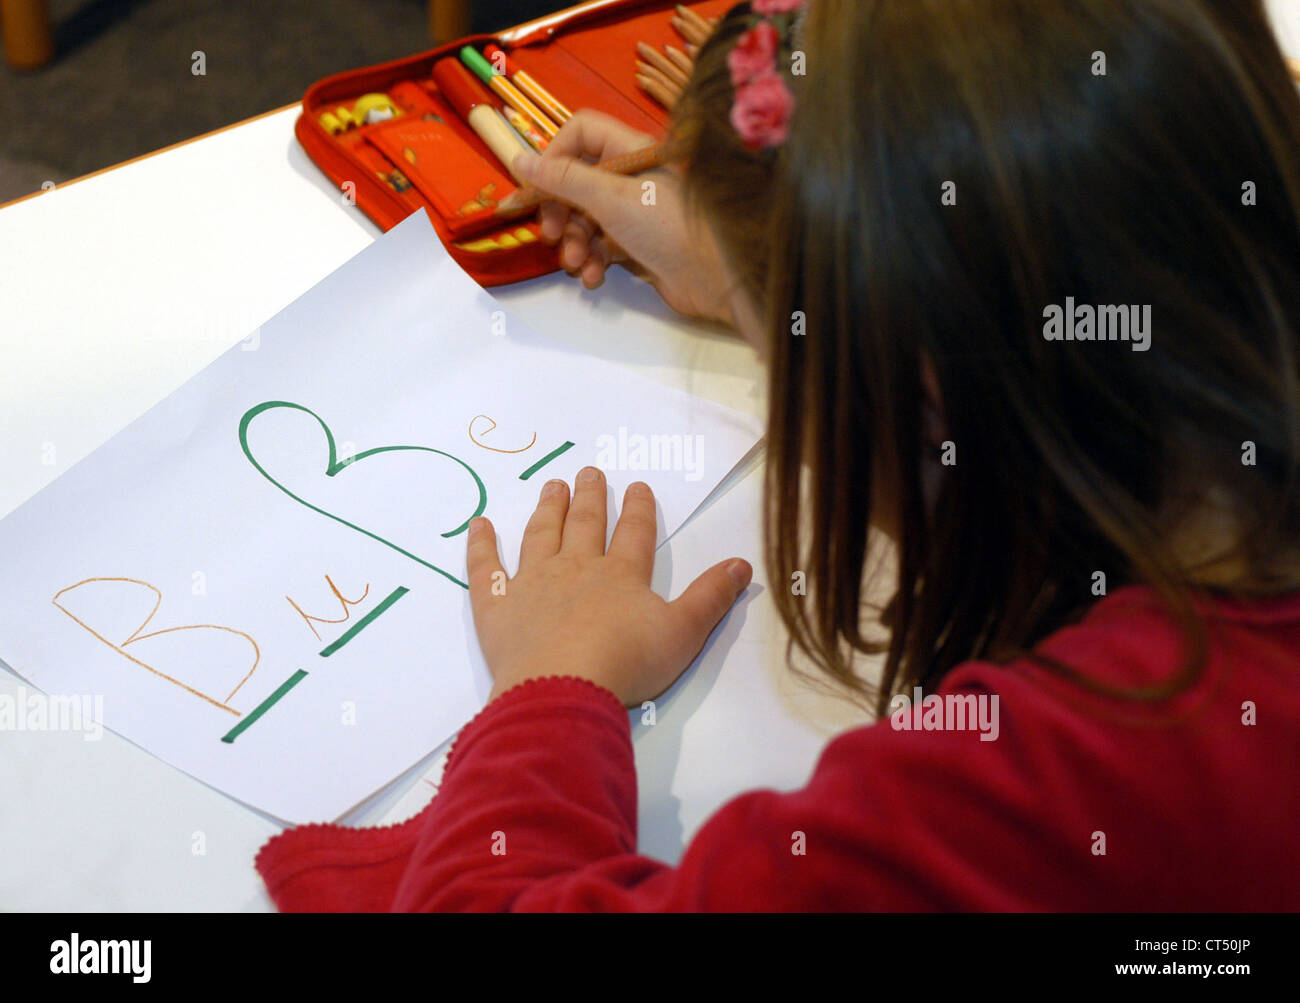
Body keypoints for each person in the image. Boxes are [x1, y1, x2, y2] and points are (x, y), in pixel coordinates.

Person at [255, 0, 1300, 910]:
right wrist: (764, 266)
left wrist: (550, 684)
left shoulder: (1053, 778)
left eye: (784, 362)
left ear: (917, 392)